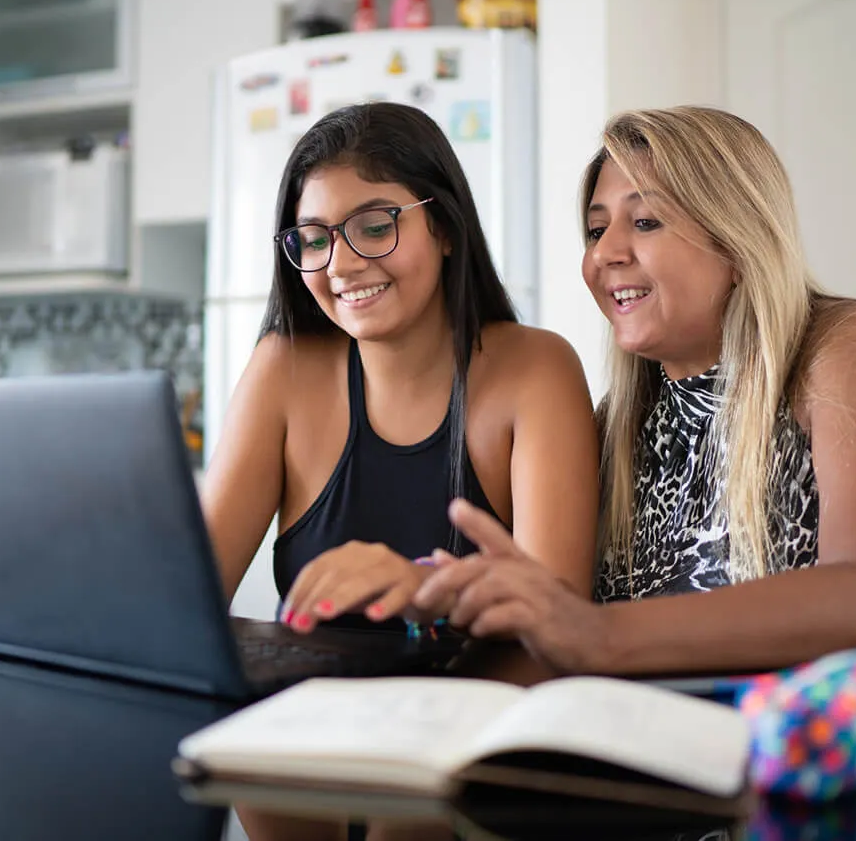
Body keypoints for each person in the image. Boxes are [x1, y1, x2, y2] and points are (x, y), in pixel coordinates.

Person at [414, 105, 856, 676]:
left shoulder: (850, 348)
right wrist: (425, 596)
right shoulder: (619, 425)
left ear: (736, 239)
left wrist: (599, 635)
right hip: (694, 754)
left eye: (645, 221)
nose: (604, 254)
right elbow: (544, 623)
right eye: (596, 229)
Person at [200, 100, 599, 638]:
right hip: (310, 714)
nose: (340, 264)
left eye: (373, 225)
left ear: (445, 229)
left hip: (478, 715)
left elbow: (563, 630)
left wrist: (425, 586)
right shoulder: (281, 370)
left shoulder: (535, 370)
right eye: (315, 238)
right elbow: (191, 601)